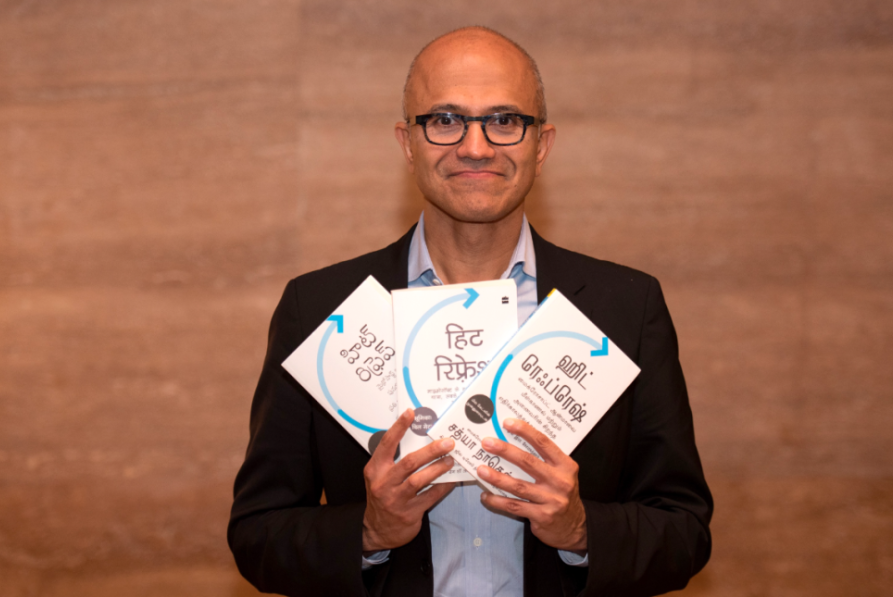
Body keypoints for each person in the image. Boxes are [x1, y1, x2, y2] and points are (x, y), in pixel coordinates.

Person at [228, 26, 713, 597]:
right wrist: (369, 531)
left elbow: (684, 532)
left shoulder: (625, 308)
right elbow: (258, 536)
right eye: (445, 119)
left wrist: (581, 529)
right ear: (408, 143)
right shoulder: (320, 310)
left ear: (542, 145)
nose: (476, 147)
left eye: (504, 120)